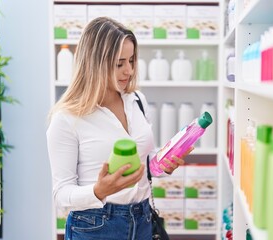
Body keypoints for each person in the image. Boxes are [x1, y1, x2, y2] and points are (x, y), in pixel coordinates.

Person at [47, 17, 192, 240]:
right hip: (95, 226)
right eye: (119, 63)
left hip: (143, 220)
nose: (129, 71)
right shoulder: (66, 118)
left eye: (132, 60)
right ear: (94, 63)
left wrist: (164, 164)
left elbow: (145, 164)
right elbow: (61, 193)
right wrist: (98, 191)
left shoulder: (137, 101)